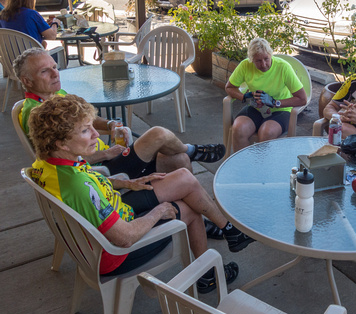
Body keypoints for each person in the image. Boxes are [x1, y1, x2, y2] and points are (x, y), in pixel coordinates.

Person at [27, 94, 256, 292]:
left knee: (184, 179)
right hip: (113, 253)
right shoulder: (77, 186)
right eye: (86, 130)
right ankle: (207, 275)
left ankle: (229, 231)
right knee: (189, 209)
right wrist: (158, 212)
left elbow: (92, 183)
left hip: (111, 214)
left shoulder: (47, 163)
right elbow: (124, 237)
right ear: (62, 143)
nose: (97, 134)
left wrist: (129, 183)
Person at [14, 47, 230, 240]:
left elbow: (82, 122)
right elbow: (55, 158)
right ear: (27, 80)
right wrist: (105, 155)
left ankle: (197, 215)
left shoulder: (56, 94)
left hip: (103, 167)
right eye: (45, 71)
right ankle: (194, 171)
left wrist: (109, 124)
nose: (55, 73)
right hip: (105, 169)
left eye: (54, 66)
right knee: (157, 135)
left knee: (179, 159)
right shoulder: (36, 113)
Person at [225, 37, 307, 152]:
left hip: (281, 110)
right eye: (258, 61)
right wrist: (244, 96)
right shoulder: (245, 65)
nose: (263, 64)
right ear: (251, 59)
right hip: (256, 108)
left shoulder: (283, 67)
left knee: (266, 132)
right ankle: (244, 167)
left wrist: (275, 102)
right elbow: (229, 87)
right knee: (238, 129)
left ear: (271, 54)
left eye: (266, 59)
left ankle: (262, 167)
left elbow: (302, 99)